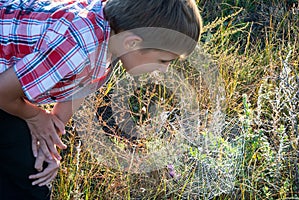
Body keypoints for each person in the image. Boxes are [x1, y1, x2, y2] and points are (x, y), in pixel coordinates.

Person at [0, 0, 202, 199]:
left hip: (8, 85)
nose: (165, 69)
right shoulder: (78, 47)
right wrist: (36, 117)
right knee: (26, 174)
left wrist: (48, 143)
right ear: (132, 43)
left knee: (35, 161)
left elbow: (80, 89)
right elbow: (1, 93)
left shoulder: (113, 33)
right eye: (163, 60)